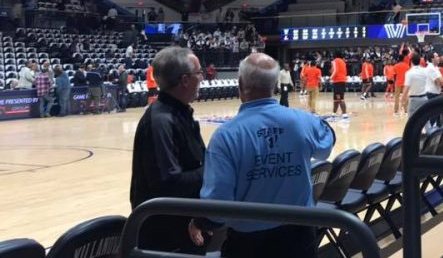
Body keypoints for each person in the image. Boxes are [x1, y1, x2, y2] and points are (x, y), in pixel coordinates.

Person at [187, 54, 335, 258]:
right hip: (300, 236)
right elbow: (327, 145)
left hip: (249, 244)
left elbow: (217, 204)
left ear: (240, 85)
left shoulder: (226, 136)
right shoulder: (303, 121)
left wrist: (199, 222)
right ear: (275, 85)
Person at [130, 47, 206, 254]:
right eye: (199, 73)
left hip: (183, 227)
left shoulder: (180, 113)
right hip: (166, 237)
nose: (202, 78)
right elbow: (169, 183)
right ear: (184, 80)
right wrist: (212, 170)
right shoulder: (161, 121)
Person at [402, 53, 429, 119]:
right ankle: (430, 129)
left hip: (413, 99)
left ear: (411, 62)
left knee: (411, 120)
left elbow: (406, 87)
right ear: (420, 61)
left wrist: (403, 99)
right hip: (424, 98)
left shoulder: (409, 73)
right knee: (426, 120)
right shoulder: (425, 71)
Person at [330, 52, 348, 119]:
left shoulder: (335, 61)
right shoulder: (343, 62)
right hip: (342, 80)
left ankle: (344, 114)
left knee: (340, 99)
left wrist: (330, 78)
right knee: (336, 99)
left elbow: (335, 71)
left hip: (338, 81)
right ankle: (334, 114)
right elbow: (345, 72)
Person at [393, 52, 410, 116]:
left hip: (398, 83)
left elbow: (394, 75)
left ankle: (396, 112)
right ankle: (406, 112)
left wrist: (395, 81)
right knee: (405, 97)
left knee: (396, 97)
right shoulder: (407, 66)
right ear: (403, 59)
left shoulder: (396, 65)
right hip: (405, 83)